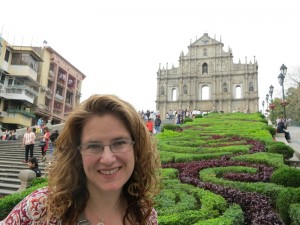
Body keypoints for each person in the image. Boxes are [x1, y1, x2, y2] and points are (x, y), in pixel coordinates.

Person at [1, 94, 161, 225]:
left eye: (119, 143)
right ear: (77, 154)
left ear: (136, 148)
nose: (107, 159)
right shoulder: (39, 209)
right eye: (93, 146)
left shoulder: (145, 215)